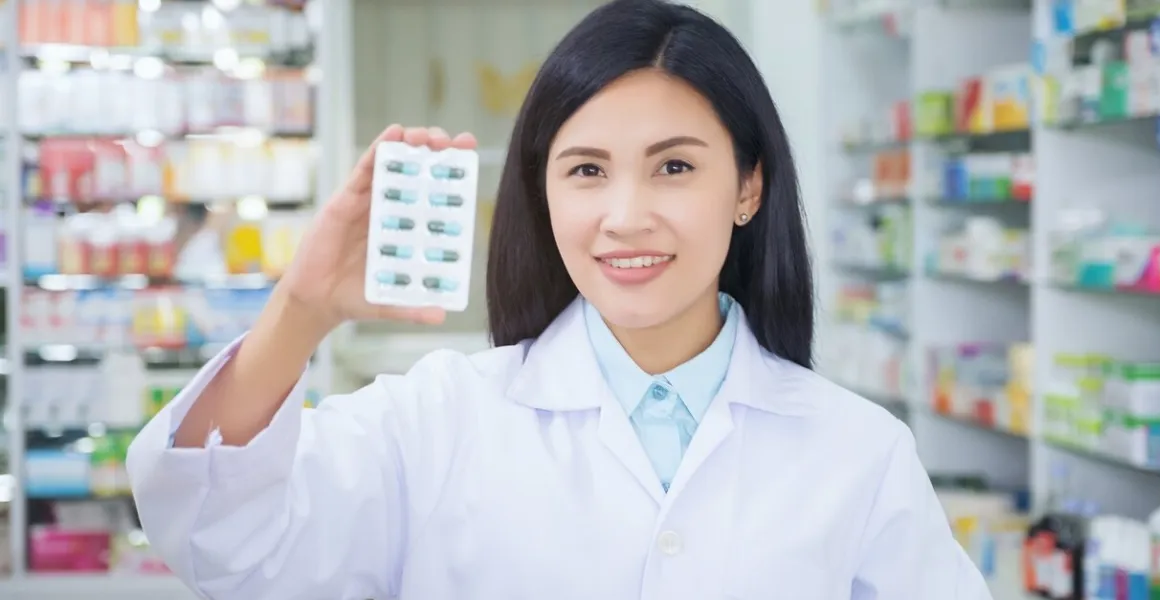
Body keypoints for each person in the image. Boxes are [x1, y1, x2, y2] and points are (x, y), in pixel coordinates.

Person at [126, 1, 993, 599]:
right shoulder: (438, 420)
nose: (625, 217)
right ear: (543, 194)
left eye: (675, 167)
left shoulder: (858, 452)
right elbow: (221, 541)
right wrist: (302, 311)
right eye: (585, 171)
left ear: (749, 187)